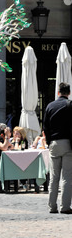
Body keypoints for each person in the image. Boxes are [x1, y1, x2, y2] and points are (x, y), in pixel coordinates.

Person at [43, 82, 72, 214]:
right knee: (67, 177)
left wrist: (49, 142)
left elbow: (45, 127)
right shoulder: (70, 105)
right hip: (68, 143)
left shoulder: (50, 106)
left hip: (53, 143)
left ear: (58, 92)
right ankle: (65, 206)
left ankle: (51, 206)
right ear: (69, 93)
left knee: (54, 177)